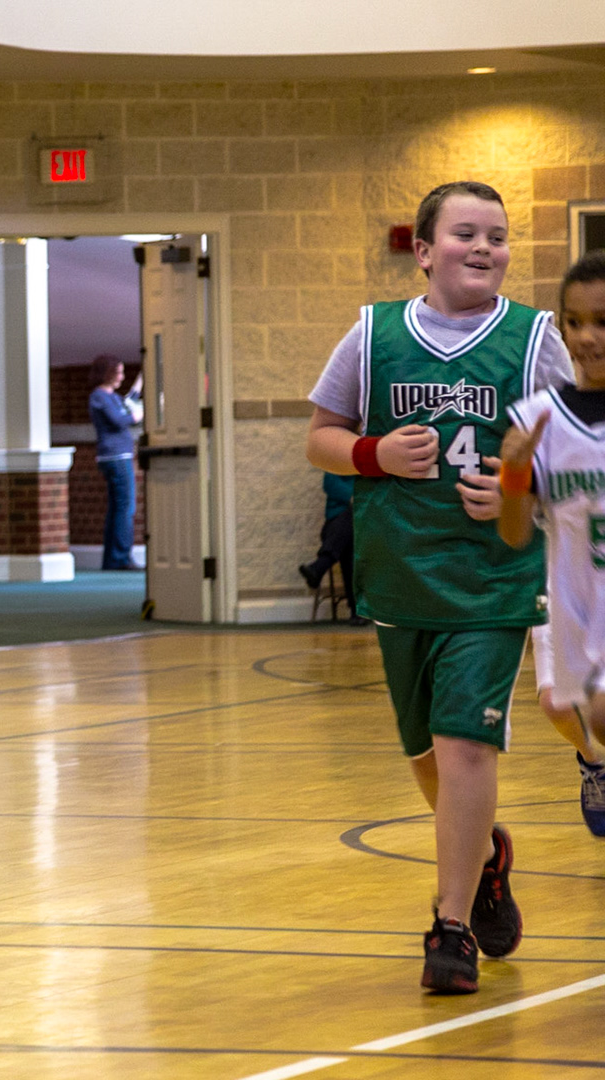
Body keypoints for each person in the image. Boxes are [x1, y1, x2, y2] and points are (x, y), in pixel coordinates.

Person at [306, 180, 571, 994]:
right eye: (465, 234)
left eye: (497, 235)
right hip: (400, 574)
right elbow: (319, 437)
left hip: (492, 578)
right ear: (423, 251)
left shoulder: (534, 340)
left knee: (465, 743)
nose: (485, 247)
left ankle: (448, 926)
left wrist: (524, 492)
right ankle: (488, 854)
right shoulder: (371, 334)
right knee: (427, 754)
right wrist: (372, 456)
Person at [495, 249, 605, 837]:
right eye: (574, 322)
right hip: (571, 598)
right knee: (561, 707)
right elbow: (513, 534)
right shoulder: (540, 417)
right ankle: (595, 763)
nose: (587, 338)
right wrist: (513, 474)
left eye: (603, 322)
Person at [88, 355, 144, 571]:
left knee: (117, 509)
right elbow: (119, 419)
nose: (121, 376)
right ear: (107, 373)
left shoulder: (111, 396)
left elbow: (130, 400)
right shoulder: (99, 396)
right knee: (125, 508)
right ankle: (121, 557)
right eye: (118, 372)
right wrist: (135, 418)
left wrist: (142, 376)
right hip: (115, 457)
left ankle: (113, 559)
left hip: (118, 456)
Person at [298, 472, 358, 617]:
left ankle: (319, 567)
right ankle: (357, 610)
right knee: (349, 527)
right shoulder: (335, 462)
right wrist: (356, 497)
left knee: (350, 540)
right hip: (335, 527)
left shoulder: (366, 465)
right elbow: (331, 486)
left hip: (352, 531)